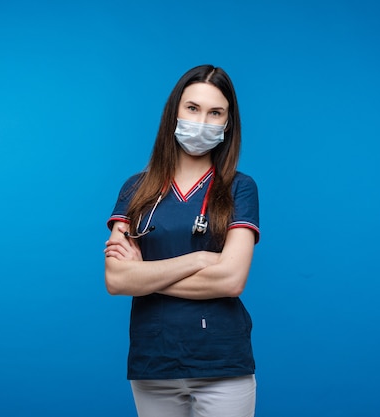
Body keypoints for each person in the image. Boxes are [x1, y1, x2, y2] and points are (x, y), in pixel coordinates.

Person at [104, 64, 260, 417]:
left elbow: (231, 279)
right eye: (192, 108)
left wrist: (143, 275)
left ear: (227, 123)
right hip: (153, 361)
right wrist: (201, 259)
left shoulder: (240, 188)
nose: (202, 121)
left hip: (222, 362)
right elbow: (116, 279)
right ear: (174, 110)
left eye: (215, 112)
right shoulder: (135, 189)